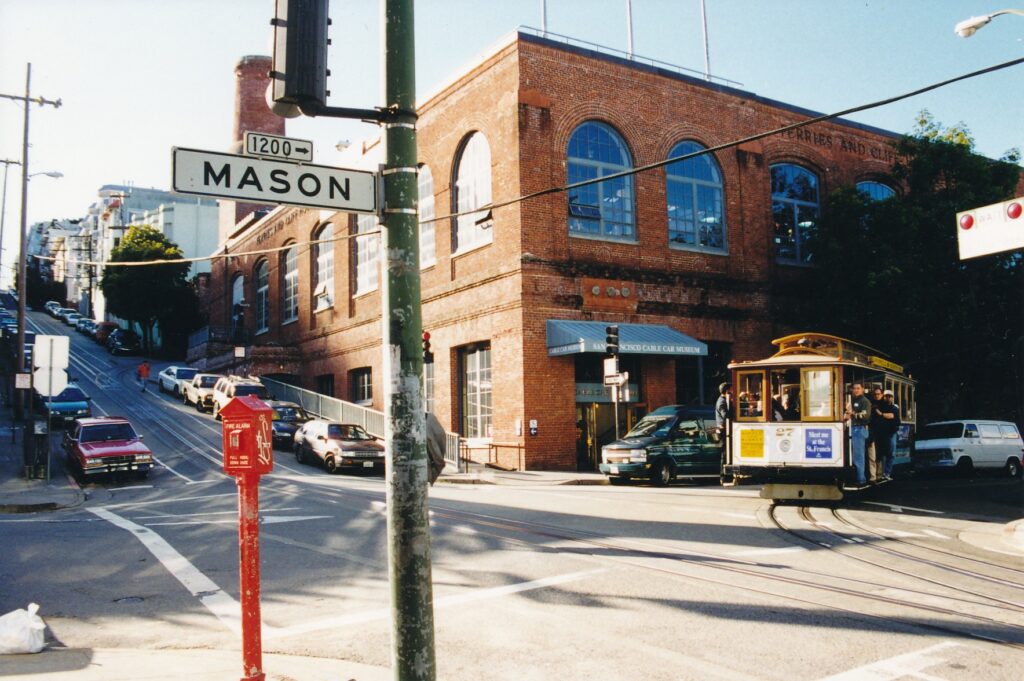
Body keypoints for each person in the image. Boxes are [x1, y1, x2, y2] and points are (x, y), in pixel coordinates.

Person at [871, 388, 901, 479]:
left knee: (890, 453)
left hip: (891, 433)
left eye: (890, 396)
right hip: (883, 433)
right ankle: (880, 474)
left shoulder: (894, 408)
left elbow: (892, 416)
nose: (888, 398)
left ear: (892, 398)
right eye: (886, 396)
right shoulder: (881, 405)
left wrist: (881, 414)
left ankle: (887, 473)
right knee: (881, 453)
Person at [845, 382, 871, 485]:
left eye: (858, 388)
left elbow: (865, 416)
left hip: (860, 429)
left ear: (862, 389)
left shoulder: (865, 401)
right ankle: (854, 478)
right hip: (852, 429)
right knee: (851, 455)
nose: (856, 390)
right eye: (854, 388)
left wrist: (852, 414)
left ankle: (861, 479)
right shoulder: (852, 400)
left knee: (858, 456)